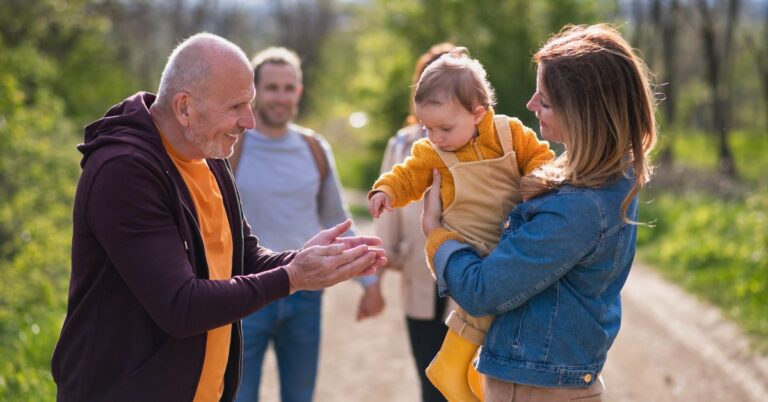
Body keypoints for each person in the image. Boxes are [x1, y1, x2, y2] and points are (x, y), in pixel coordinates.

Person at [50, 33, 386, 402]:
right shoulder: (124, 172)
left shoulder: (208, 154)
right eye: (237, 106)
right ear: (184, 108)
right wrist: (292, 277)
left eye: (251, 104)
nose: (250, 122)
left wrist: (306, 261)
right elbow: (180, 306)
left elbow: (242, 257)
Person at [421, 24, 657, 402]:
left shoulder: (579, 206)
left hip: (537, 392)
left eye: (544, 100)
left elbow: (483, 291)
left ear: (583, 111)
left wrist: (436, 235)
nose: (531, 105)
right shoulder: (602, 180)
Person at [368, 48, 554, 401]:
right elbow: (408, 175)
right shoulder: (431, 151)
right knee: (476, 300)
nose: (435, 137)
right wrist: (387, 191)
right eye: (427, 128)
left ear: (477, 113)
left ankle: (470, 371)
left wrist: (538, 183)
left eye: (444, 128)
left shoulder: (509, 132)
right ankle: (451, 365)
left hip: (508, 241)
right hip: (463, 242)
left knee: (501, 307)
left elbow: (540, 158)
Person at [230, 47, 383, 402]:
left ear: (298, 91)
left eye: (288, 87)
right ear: (254, 91)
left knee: (299, 396)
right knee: (239, 396)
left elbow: (336, 218)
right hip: (245, 296)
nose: (280, 97)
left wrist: (369, 283)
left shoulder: (314, 147)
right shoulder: (231, 146)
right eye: (271, 87)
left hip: (306, 296)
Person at [374, 42, 455, 402]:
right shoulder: (403, 144)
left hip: (470, 283)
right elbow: (386, 218)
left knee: (466, 382)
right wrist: (375, 277)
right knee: (429, 382)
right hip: (419, 277)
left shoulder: (485, 145)